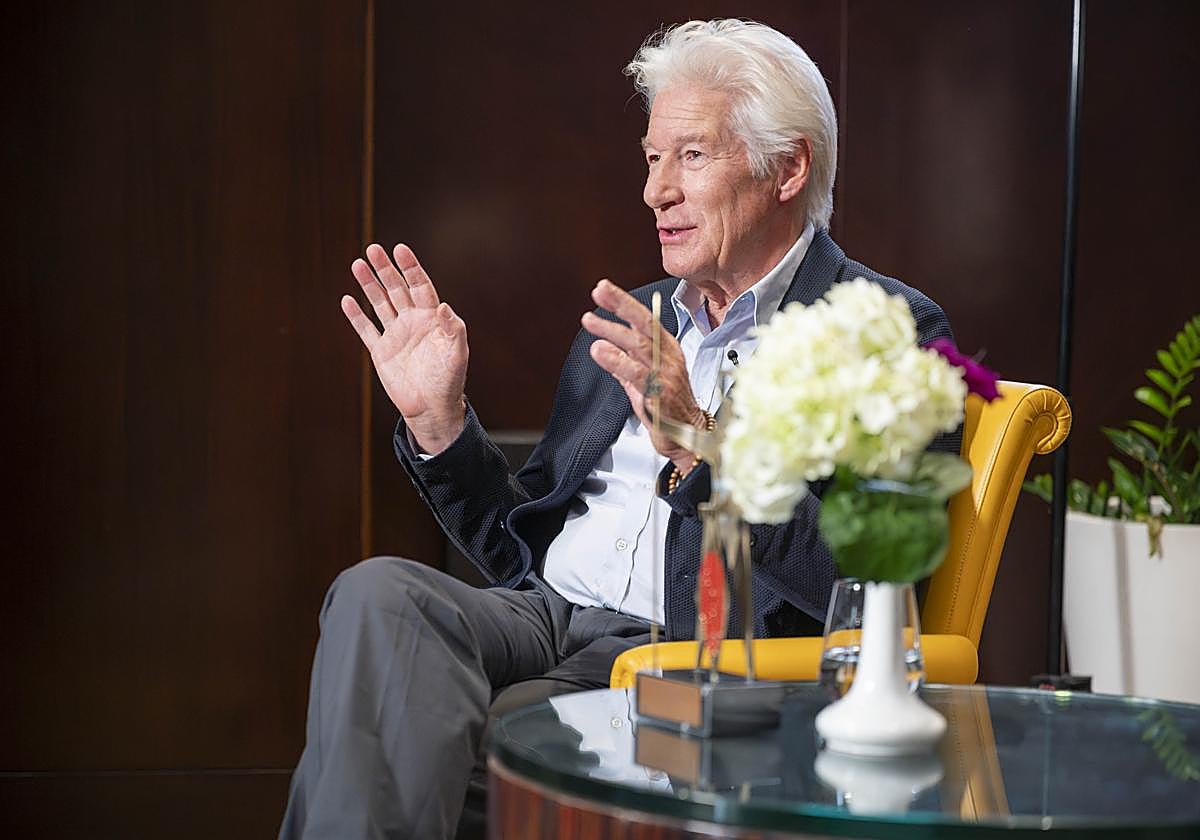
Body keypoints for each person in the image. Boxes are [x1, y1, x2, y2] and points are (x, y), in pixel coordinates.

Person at [280, 18, 956, 840]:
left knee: (405, 740)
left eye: (692, 155)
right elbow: (518, 550)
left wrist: (706, 447)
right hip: (543, 618)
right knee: (378, 594)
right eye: (651, 158)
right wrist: (441, 423)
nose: (655, 191)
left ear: (788, 167)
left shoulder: (878, 329)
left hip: (680, 655)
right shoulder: (635, 321)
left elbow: (873, 586)